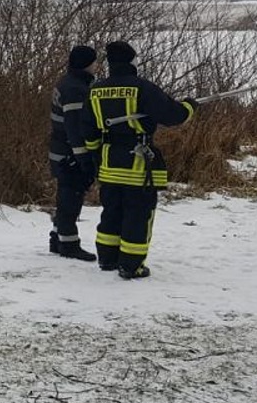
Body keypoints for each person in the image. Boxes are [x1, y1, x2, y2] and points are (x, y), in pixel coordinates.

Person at [82, 40, 198, 280]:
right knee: (138, 215)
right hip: (137, 165)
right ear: (132, 60)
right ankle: (131, 265)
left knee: (111, 213)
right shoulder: (141, 87)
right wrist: (189, 106)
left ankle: (107, 258)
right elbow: (172, 115)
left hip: (108, 164)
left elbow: (88, 129)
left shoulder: (95, 90)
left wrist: (97, 157)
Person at [47, 45, 99, 262]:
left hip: (60, 150)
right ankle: (68, 244)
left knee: (66, 195)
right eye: (95, 62)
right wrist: (84, 158)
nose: (97, 65)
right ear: (88, 64)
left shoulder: (68, 82)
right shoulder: (76, 89)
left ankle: (58, 238)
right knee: (70, 197)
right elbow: (75, 128)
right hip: (69, 154)